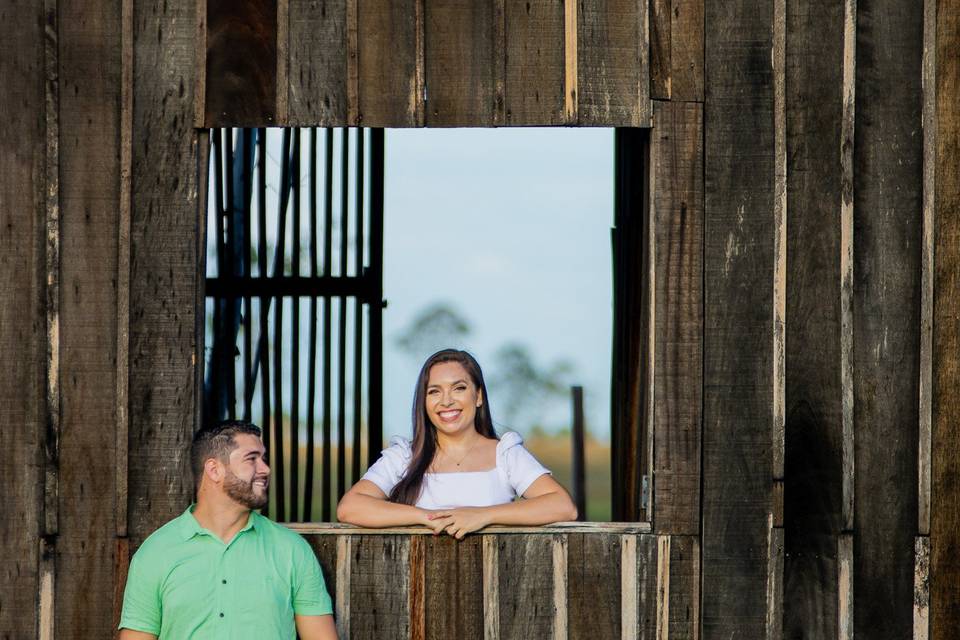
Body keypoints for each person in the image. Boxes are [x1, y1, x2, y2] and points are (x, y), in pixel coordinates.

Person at [118, 420, 338, 640]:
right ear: (214, 470)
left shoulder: (292, 550)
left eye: (263, 459)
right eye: (252, 459)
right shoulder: (156, 553)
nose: (265, 469)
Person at [337, 349, 577, 538]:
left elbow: (563, 506)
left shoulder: (505, 454)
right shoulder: (403, 457)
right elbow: (350, 507)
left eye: (459, 388)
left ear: (479, 396)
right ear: (424, 402)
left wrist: (482, 516)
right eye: (434, 392)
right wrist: (429, 517)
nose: (446, 401)